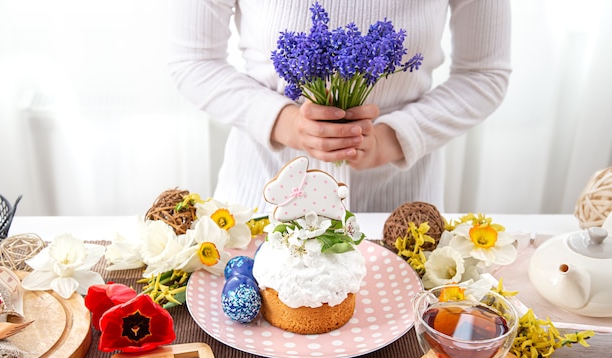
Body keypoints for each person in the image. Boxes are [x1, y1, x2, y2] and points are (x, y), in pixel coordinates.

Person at [168, 0, 511, 214]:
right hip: (260, 201)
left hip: (397, 211)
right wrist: (288, 125)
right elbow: (195, 61)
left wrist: (392, 140)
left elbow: (484, 75)